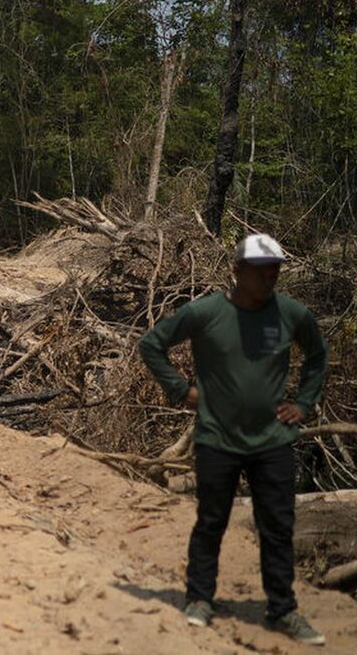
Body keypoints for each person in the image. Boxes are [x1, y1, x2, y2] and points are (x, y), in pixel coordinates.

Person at [139, 232, 329, 646]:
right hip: (216, 438)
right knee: (211, 521)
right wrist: (181, 389)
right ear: (238, 270)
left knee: (278, 525)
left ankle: (283, 610)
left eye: (275, 271)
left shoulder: (291, 314)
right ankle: (199, 599)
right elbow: (152, 344)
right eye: (261, 271)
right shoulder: (206, 313)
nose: (269, 279)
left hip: (272, 441)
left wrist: (306, 403)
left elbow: (317, 356)